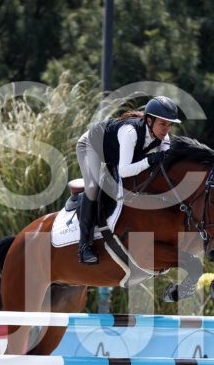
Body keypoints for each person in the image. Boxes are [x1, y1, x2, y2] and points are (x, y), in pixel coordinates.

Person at [75, 95, 182, 264]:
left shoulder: (163, 138)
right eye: (162, 124)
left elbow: (164, 165)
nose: (166, 129)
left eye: (169, 125)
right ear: (149, 121)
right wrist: (149, 160)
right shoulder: (130, 133)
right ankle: (84, 247)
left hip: (114, 153)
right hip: (91, 146)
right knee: (93, 187)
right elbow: (124, 171)